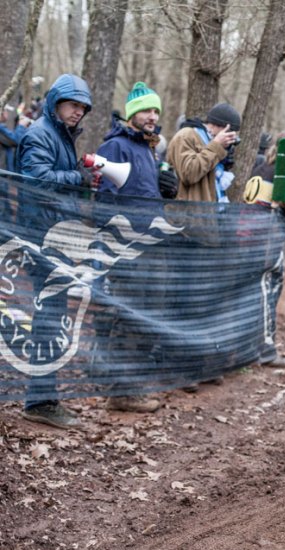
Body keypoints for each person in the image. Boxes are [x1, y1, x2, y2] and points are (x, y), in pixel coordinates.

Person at [16, 73, 95, 429]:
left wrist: (82, 181)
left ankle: (45, 397)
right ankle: (40, 400)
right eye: (72, 104)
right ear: (55, 102)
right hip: (40, 237)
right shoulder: (39, 134)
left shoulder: (61, 136)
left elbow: (59, 182)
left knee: (53, 313)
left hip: (57, 237)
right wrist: (75, 179)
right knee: (49, 317)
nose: (78, 112)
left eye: (82, 107)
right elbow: (37, 181)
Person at [93, 81, 177, 413]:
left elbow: (142, 191)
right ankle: (122, 391)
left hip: (152, 245)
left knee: (148, 316)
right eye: (146, 110)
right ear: (132, 114)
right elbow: (104, 201)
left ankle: (134, 385)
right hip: (128, 248)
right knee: (128, 316)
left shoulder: (148, 148)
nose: (152, 116)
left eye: (156, 110)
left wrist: (164, 189)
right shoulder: (115, 147)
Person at [244, 130, 285, 368]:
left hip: (249, 238)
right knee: (269, 290)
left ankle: (250, 345)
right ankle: (265, 349)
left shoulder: (259, 167)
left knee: (255, 291)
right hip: (267, 240)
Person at [166, 102, 240, 203]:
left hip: (210, 213)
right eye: (230, 131)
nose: (232, 136)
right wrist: (216, 146)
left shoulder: (214, 144)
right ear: (216, 125)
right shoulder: (186, 136)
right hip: (188, 214)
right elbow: (188, 173)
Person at [0, 105, 31, 170]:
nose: (7, 113)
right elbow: (17, 140)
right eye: (6, 111)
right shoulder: (1, 128)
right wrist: (21, 126)